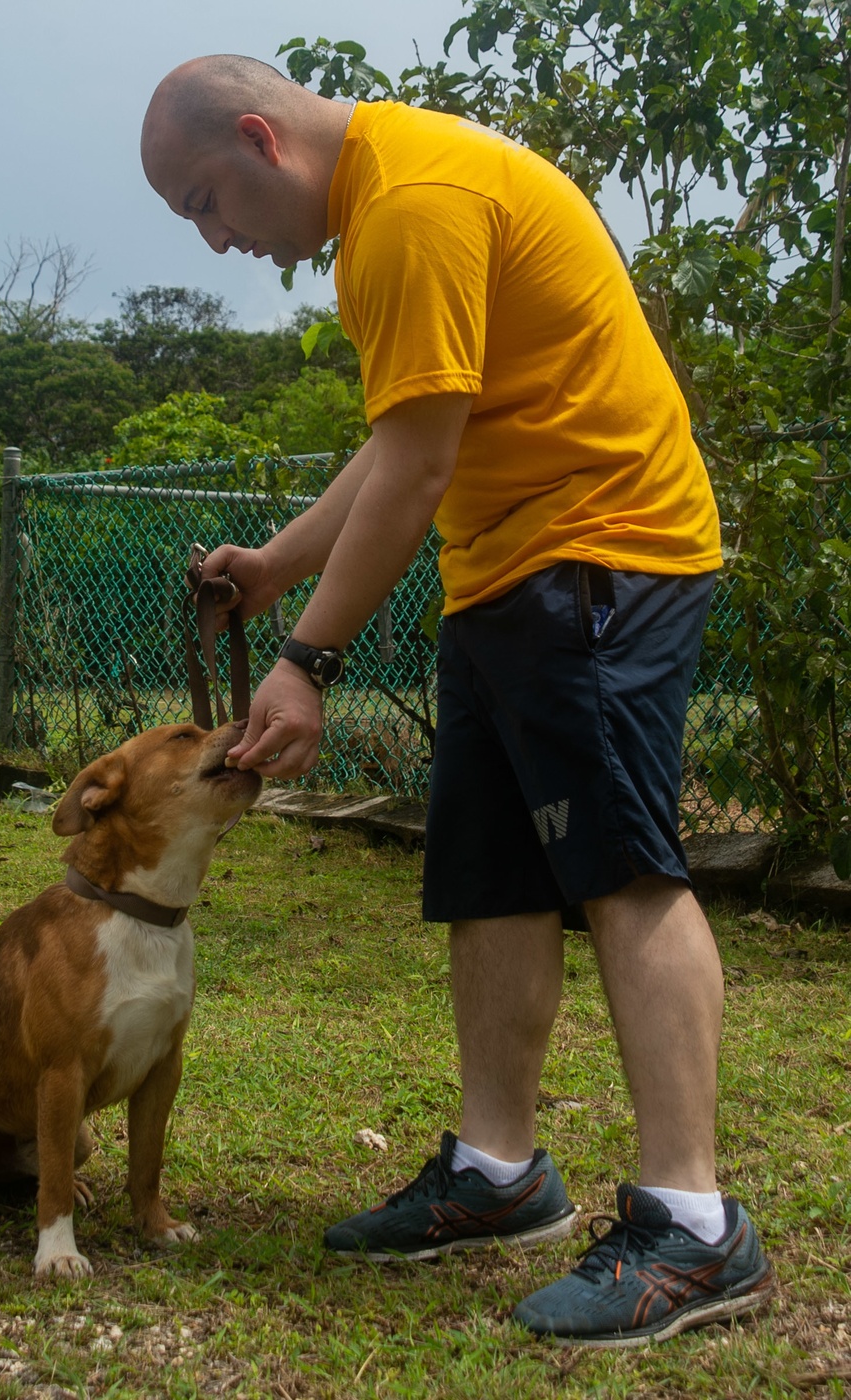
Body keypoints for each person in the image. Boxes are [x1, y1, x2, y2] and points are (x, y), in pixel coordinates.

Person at [140, 54, 774, 1346]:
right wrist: (277, 567)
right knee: (489, 878)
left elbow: (419, 466)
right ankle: (499, 1177)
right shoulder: (390, 201)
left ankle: (695, 1225)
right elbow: (403, 437)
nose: (217, 239)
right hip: (508, 575)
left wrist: (306, 661)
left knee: (624, 873)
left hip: (600, 552)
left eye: (208, 200)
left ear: (262, 139)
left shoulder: (412, 204)